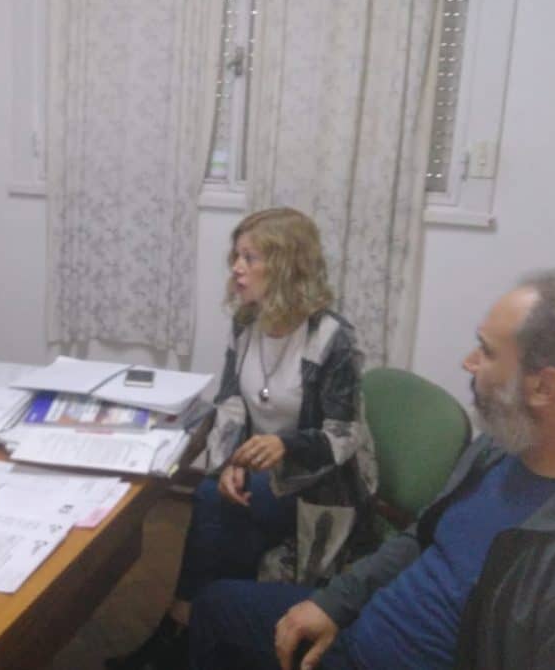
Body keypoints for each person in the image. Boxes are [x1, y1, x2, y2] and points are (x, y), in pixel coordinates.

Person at [188, 267, 555, 670]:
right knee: (214, 607)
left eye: (486, 351)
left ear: (545, 387)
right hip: (361, 628)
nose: (468, 363)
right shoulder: (506, 445)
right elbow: (423, 535)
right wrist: (335, 603)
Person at [107, 208, 377, 670]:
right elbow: (231, 402)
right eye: (236, 256)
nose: (236, 268)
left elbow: (344, 433)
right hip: (262, 468)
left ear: (286, 265)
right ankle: (197, 629)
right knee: (221, 501)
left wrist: (287, 445)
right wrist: (230, 458)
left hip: (322, 482)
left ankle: (180, 626)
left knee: (215, 506)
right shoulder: (246, 322)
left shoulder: (333, 338)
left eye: (250, 258)